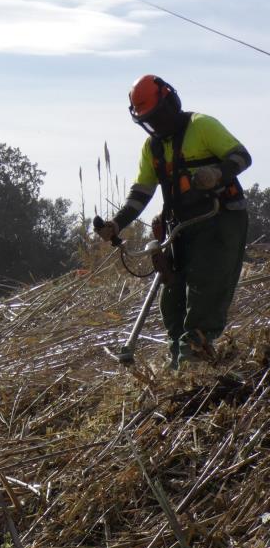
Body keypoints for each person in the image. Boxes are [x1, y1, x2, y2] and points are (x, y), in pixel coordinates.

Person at [96, 74, 251, 369]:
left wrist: (218, 174)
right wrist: (116, 223)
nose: (156, 125)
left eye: (158, 117)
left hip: (219, 219)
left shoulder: (202, 126)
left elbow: (242, 157)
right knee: (173, 298)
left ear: (171, 103)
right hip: (181, 227)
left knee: (205, 292)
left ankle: (196, 363)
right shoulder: (152, 147)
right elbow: (141, 193)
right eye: (149, 121)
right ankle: (178, 364)